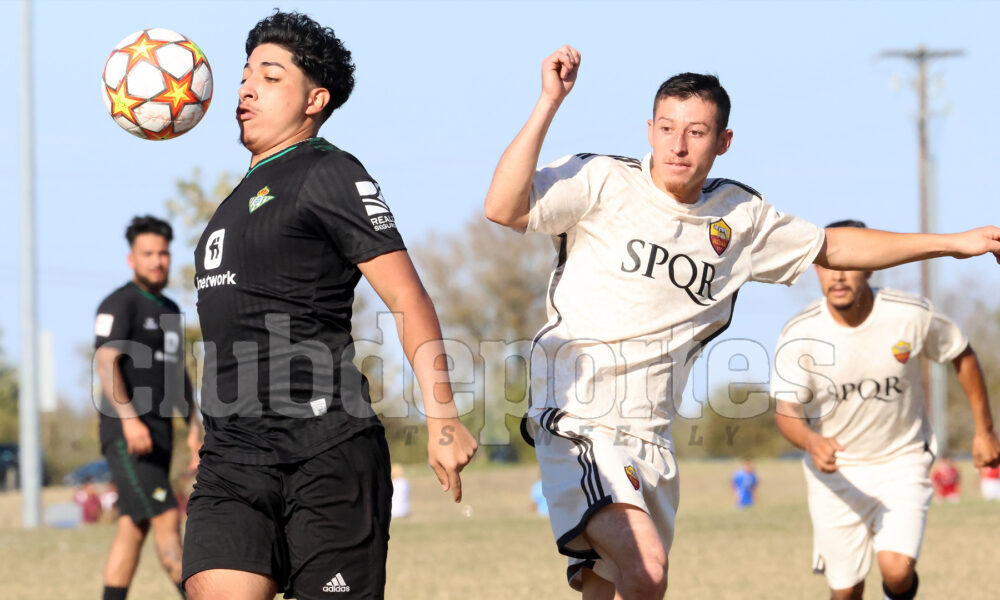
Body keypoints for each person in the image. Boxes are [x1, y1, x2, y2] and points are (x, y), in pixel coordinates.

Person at [483, 45, 1000, 599]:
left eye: (697, 131)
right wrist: (549, 101)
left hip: (652, 435)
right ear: (649, 131)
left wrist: (951, 244)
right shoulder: (603, 180)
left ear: (724, 141)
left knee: (612, 588)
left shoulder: (740, 218)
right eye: (667, 127)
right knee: (648, 568)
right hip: (579, 417)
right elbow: (503, 207)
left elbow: (836, 247)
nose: (678, 145)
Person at [181, 11, 477, 600]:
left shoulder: (329, 172)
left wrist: (442, 416)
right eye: (244, 75)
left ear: (315, 99)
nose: (244, 88)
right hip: (233, 459)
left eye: (269, 76)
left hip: (325, 451)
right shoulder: (233, 203)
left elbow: (406, 295)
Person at [771, 219, 1000, 600]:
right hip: (836, 474)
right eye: (827, 265)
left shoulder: (908, 315)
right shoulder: (800, 333)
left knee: (896, 570)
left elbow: (961, 354)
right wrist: (812, 442)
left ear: (871, 263)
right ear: (815, 268)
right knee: (845, 592)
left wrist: (984, 431)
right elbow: (786, 409)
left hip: (902, 462)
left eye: (849, 263)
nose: (838, 276)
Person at [94, 215, 202, 600]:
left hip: (161, 434)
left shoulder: (171, 309)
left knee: (133, 527)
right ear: (131, 259)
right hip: (127, 435)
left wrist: (194, 427)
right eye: (148, 254)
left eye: (163, 253)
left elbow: (178, 374)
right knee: (167, 517)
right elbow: (106, 363)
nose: (158, 261)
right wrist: (130, 421)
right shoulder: (119, 304)